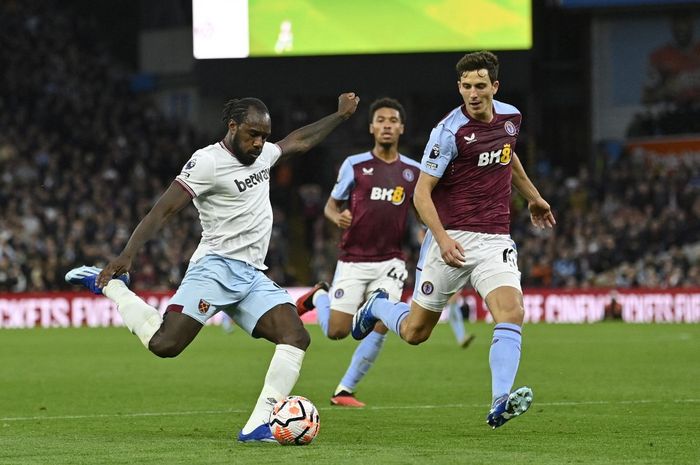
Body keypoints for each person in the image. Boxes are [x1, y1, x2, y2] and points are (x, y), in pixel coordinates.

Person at [65, 92, 360, 442]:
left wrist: (339, 116)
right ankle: (112, 288)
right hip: (215, 269)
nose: (259, 143)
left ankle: (258, 425)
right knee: (165, 345)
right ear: (232, 127)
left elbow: (299, 141)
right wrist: (127, 255)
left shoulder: (262, 154)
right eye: (252, 134)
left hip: (251, 275)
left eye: (264, 136)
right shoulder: (207, 162)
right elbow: (164, 209)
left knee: (295, 336)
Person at [351, 51, 556, 429]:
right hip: (452, 239)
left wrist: (534, 197)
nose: (473, 93)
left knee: (511, 313)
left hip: (495, 238)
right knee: (415, 333)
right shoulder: (448, 132)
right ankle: (378, 306)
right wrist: (442, 239)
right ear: (458, 87)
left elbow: (508, 158)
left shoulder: (511, 118)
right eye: (466, 86)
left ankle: (500, 401)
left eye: (480, 85)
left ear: (495, 86)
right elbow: (421, 193)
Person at [295, 97, 421, 407]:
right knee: (336, 331)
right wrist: (336, 216)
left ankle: (344, 390)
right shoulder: (355, 165)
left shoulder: (413, 171)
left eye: (393, 120)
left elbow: (424, 209)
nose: (387, 125)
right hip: (353, 259)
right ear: (371, 128)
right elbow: (330, 205)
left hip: (390, 260)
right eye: (381, 120)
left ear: (401, 128)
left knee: (382, 323)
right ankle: (319, 296)